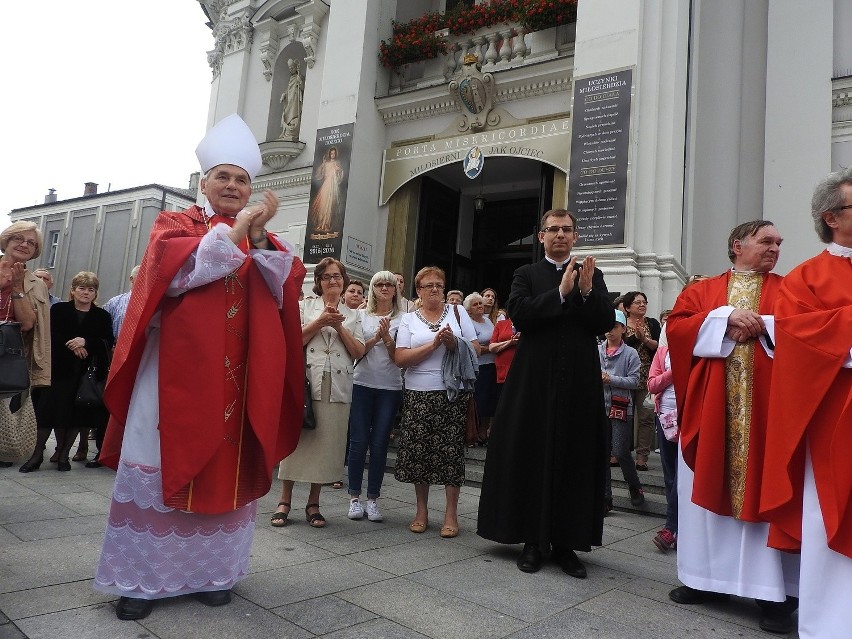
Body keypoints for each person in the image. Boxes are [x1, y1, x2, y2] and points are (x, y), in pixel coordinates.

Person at [93, 113, 306, 621]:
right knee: (160, 460)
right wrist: (237, 234)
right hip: (174, 376)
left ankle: (213, 575)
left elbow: (285, 288)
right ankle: (140, 582)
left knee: (227, 468)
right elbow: (172, 277)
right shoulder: (176, 225)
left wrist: (255, 240)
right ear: (203, 183)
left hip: (239, 376)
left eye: (242, 179)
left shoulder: (263, 239)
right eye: (223, 177)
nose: (232, 185)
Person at [666, 220, 798, 634]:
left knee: (768, 492)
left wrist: (763, 325)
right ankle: (706, 581)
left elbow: (809, 332)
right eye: (766, 241)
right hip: (713, 414)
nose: (775, 248)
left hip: (768, 416)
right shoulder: (702, 291)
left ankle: (774, 596)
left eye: (778, 242)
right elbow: (678, 328)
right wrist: (722, 319)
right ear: (737, 245)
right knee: (707, 492)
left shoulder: (791, 290)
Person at [477, 209, 614, 578]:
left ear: (575, 235)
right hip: (534, 381)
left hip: (580, 382)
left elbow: (604, 322)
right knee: (533, 453)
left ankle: (568, 544)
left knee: (575, 454)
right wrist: (560, 293)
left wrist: (585, 293)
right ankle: (533, 542)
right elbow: (520, 314)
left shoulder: (593, 275)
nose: (559, 235)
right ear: (541, 237)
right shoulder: (527, 274)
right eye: (552, 230)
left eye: (566, 230)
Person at [759, 168, 852, 638]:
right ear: (831, 217)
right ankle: (830, 622)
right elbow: (796, 341)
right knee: (830, 514)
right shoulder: (805, 279)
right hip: (833, 417)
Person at [273, 257, 364, 528]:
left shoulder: (355, 314)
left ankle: (314, 503)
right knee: (297, 441)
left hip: (337, 385)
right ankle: (284, 500)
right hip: (306, 381)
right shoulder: (304, 307)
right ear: (319, 282)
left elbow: (359, 351)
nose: (333, 281)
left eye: (337, 276)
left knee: (326, 444)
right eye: (327, 276)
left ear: (344, 280)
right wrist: (321, 321)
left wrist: (338, 326)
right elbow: (292, 341)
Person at [394, 266, 478, 539]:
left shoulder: (458, 312)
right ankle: (421, 511)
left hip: (452, 392)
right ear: (418, 291)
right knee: (421, 452)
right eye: (428, 285)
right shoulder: (408, 319)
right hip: (418, 391)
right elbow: (401, 358)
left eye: (439, 285)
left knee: (450, 453)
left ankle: (451, 513)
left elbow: (475, 350)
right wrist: (432, 346)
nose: (434, 289)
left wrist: (454, 343)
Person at [20, 272, 113, 472]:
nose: (86, 293)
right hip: (58, 370)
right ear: (72, 290)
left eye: (91, 289)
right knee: (47, 412)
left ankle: (64, 456)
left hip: (84, 374)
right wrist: (73, 345)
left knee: (75, 415)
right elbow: (49, 334)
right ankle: (36, 456)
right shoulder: (60, 309)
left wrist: (85, 341)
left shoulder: (102, 315)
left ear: (95, 293)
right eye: (81, 288)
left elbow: (107, 340)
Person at [346, 271, 403, 522]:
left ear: (395, 290)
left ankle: (373, 499)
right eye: (379, 283)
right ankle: (354, 498)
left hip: (390, 386)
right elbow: (356, 353)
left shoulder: (405, 318)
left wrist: (388, 339)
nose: (384, 288)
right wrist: (376, 338)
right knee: (358, 442)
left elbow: (399, 357)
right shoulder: (360, 315)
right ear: (372, 288)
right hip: (361, 383)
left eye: (389, 284)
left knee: (380, 444)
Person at [0, 223, 51, 469]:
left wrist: (17, 288)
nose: (24, 244)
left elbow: (28, 324)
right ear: (6, 241)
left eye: (31, 243)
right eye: (19, 239)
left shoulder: (35, 283)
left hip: (9, 359)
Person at [600, 309, 644, 512]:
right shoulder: (597, 350)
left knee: (620, 452)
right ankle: (605, 498)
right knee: (602, 453)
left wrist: (611, 379)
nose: (609, 331)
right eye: (607, 327)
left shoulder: (630, 353)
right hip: (600, 406)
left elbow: (635, 381)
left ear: (623, 329)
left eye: (614, 327)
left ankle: (634, 485)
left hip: (621, 407)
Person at [621, 291, 660, 471]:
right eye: (637, 302)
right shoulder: (619, 324)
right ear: (628, 307)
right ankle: (617, 452)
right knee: (621, 416)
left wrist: (644, 339)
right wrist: (634, 338)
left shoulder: (652, 324)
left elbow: (660, 348)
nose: (642, 305)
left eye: (644, 302)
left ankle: (642, 457)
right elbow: (617, 346)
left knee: (646, 418)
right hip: (624, 377)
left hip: (646, 376)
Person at [463, 292, 495, 445]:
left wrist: (490, 348)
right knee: (478, 401)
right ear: (468, 310)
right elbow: (474, 348)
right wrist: (492, 348)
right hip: (477, 367)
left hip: (491, 365)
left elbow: (495, 341)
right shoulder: (468, 323)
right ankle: (474, 432)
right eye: (475, 305)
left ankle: (484, 431)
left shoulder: (489, 322)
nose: (479, 306)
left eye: (480, 303)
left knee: (489, 400)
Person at [308, 147, 344, 234]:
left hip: (332, 185)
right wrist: (323, 164)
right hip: (326, 185)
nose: (332, 155)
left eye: (334, 154)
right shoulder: (326, 163)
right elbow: (319, 174)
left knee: (329, 205)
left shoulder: (336, 163)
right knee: (322, 204)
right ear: (329, 154)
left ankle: (326, 224)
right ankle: (320, 223)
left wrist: (338, 171)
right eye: (331, 153)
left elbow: (340, 173)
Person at [488, 311, 520, 408]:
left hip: (522, 368)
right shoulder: (501, 324)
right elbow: (491, 347)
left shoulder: (528, 324)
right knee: (505, 402)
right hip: (504, 369)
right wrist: (509, 343)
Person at [102, 265, 140, 341]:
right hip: (116, 349)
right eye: (141, 277)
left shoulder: (155, 306)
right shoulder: (114, 303)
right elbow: (102, 328)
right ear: (131, 279)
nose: (145, 281)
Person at [279, 58, 304, 141]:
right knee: (287, 112)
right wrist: (284, 95)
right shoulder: (291, 78)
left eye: (292, 68)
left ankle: (293, 126)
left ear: (296, 68)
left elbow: (302, 86)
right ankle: (288, 127)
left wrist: (300, 82)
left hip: (295, 99)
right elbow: (288, 89)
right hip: (290, 99)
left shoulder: (298, 76)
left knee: (294, 113)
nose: (291, 69)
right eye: (290, 68)